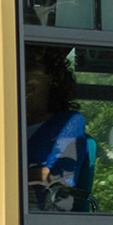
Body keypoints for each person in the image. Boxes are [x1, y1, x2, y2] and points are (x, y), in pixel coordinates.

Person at [26, 47, 87, 212]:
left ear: (51, 77)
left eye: (32, 66)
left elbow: (60, 175)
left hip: (41, 217)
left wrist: (12, 177)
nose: (24, 74)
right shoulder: (4, 122)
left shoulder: (69, 121)